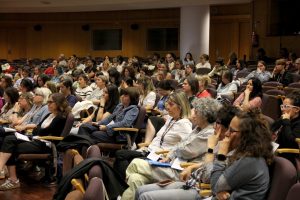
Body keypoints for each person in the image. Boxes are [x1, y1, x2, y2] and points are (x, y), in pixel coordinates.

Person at [122, 97, 221, 200]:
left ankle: (121, 189)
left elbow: (186, 151)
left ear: (205, 116)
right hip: (173, 164)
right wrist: (172, 153)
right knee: (135, 178)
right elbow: (180, 146)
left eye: (196, 112)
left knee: (135, 163)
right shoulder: (198, 129)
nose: (193, 114)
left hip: (181, 171)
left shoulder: (209, 133)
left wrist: (174, 151)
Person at [134, 105, 237, 200]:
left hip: (199, 189)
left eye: (218, 123)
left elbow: (208, 177)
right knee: (140, 190)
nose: (214, 126)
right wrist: (192, 167)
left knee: (145, 196)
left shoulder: (227, 150)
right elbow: (181, 146)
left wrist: (210, 149)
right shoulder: (217, 140)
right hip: (190, 179)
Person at [113, 91, 193, 180]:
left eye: (171, 104)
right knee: (120, 154)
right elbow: (159, 138)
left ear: (180, 107)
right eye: (167, 103)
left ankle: (122, 184)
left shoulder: (184, 124)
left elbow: (187, 147)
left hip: (161, 157)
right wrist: (147, 146)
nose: (167, 107)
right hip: (151, 151)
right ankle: (122, 183)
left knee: (125, 158)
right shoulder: (171, 119)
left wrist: (170, 155)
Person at [0, 93, 70, 190]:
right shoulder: (49, 115)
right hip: (37, 139)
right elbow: (37, 129)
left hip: (46, 144)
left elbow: (43, 131)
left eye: (51, 102)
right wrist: (39, 130)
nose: (48, 104)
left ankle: (13, 179)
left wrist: (39, 130)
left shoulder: (60, 117)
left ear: (58, 103)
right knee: (9, 138)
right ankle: (6, 173)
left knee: (10, 145)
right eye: (48, 102)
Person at [210, 109, 273, 200]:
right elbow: (216, 185)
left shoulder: (250, 160)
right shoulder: (243, 152)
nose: (227, 133)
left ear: (247, 135)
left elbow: (215, 186)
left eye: (231, 131)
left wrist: (221, 156)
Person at [271, 90, 300, 165]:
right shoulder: (285, 118)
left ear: (296, 109)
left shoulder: (298, 123)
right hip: (275, 149)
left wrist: (286, 122)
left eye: (286, 106)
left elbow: (290, 142)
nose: (283, 109)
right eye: (282, 106)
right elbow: (271, 129)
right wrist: (281, 120)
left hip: (287, 156)